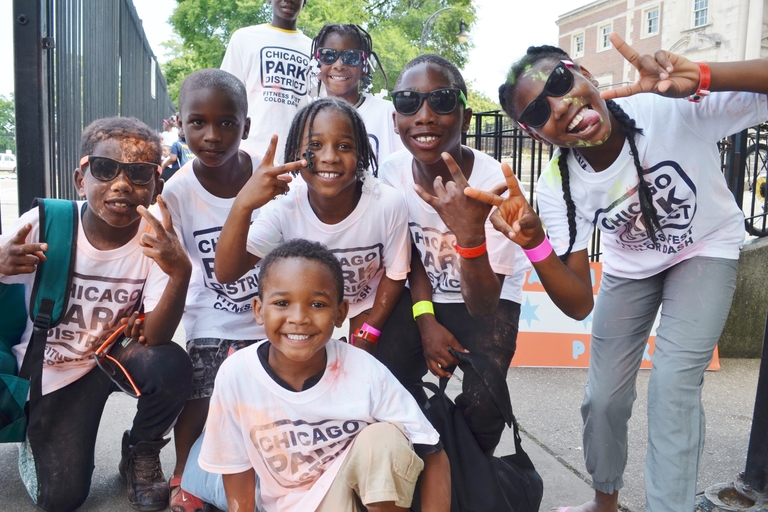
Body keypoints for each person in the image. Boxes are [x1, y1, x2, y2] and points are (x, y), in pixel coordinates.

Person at [474, 33, 768, 512]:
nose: (560, 105)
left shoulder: (667, 108)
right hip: (631, 270)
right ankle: (604, 500)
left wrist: (704, 76)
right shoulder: (559, 185)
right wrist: (535, 245)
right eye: (537, 112)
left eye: (561, 81)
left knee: (673, 386)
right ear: (534, 133)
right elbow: (578, 304)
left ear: (584, 72)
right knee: (603, 401)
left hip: (704, 250)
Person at [0, 117, 193, 512]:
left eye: (139, 173)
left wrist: (180, 272)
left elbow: (156, 339)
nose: (122, 184)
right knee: (61, 499)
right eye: (105, 169)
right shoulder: (45, 224)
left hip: (108, 358)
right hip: (49, 371)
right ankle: (33, 434)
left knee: (171, 365)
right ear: (80, 178)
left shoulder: (154, 239)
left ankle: (140, 451)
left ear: (156, 184)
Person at [195, 238, 450, 512]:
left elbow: (432, 451)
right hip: (285, 506)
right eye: (282, 303)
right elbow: (236, 469)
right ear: (259, 310)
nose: (299, 318)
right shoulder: (237, 375)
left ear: (340, 313)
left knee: (384, 440)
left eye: (317, 305)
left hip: (355, 501)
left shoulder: (363, 370)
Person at [159, 68, 307, 512]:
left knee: (275, 395)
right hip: (212, 313)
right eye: (197, 122)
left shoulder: (272, 176)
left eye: (227, 123)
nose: (212, 135)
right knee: (206, 389)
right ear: (180, 125)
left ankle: (264, 467)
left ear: (245, 125)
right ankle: (184, 471)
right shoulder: (178, 191)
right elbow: (176, 264)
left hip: (270, 314)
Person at [375, 54, 535, 456]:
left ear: (464, 117)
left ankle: (466, 470)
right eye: (408, 102)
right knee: (382, 375)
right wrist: (425, 319)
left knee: (486, 403)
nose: (425, 115)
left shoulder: (492, 182)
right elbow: (406, 255)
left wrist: (468, 233)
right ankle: (411, 457)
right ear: (396, 120)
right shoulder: (391, 175)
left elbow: (483, 305)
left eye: (443, 100)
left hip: (487, 294)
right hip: (421, 293)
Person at [215, 98, 411, 353]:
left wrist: (369, 331)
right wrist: (243, 204)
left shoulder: (386, 203)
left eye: (344, 146)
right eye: (315, 145)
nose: (329, 157)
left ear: (362, 153)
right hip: (308, 305)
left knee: (373, 359)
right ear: (297, 152)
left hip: (366, 301)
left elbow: (396, 274)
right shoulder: (284, 205)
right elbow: (226, 273)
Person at [221, 0, 311, 163]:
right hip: (247, 153)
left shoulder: (313, 49)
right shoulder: (244, 38)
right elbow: (225, 97)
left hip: (295, 157)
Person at [311, 24, 404, 163]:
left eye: (351, 57)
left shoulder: (387, 113)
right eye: (328, 55)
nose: (339, 65)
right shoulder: (309, 116)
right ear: (317, 63)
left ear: (364, 67)